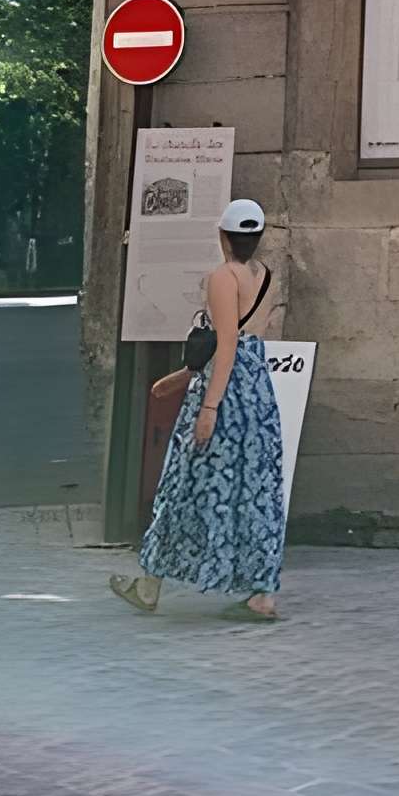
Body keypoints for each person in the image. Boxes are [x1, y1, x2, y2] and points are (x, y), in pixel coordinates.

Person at [110, 199, 285, 623]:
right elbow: (247, 341)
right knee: (255, 488)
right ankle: (262, 592)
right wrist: (185, 377)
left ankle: (150, 584)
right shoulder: (266, 276)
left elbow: (226, 345)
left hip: (225, 391)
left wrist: (209, 407)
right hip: (257, 389)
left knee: (184, 481)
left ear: (223, 235)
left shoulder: (223, 278)